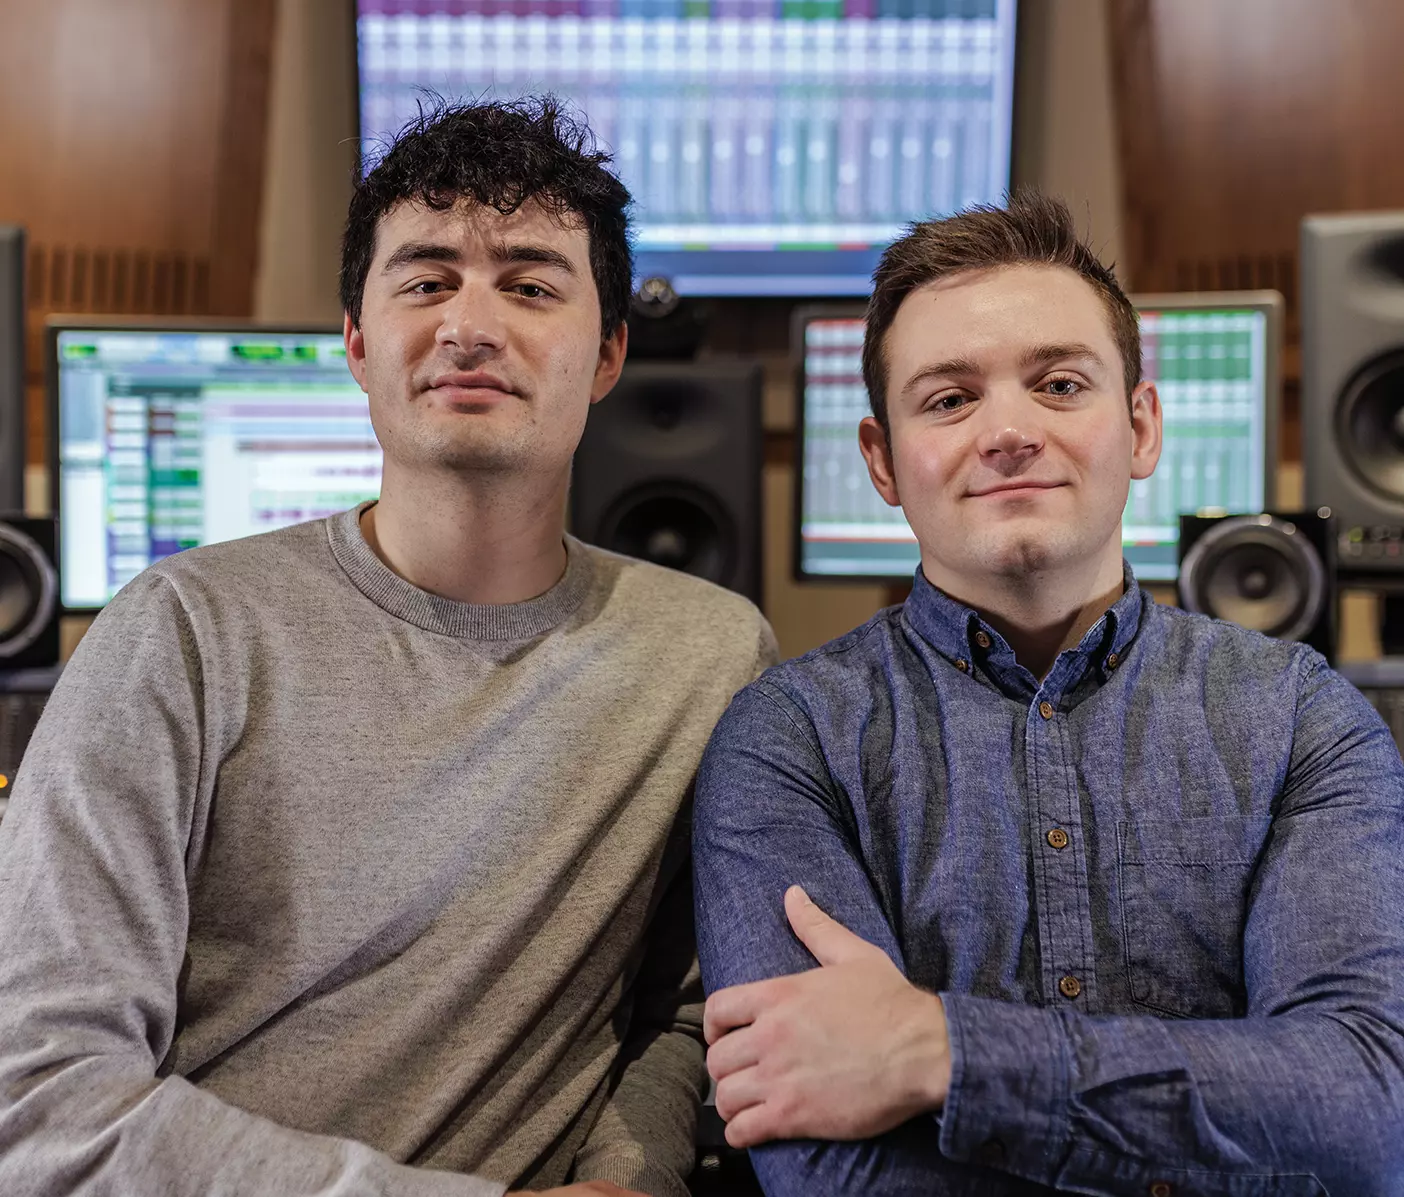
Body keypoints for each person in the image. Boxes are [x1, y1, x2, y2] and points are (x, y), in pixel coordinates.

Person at [0, 98, 774, 1197]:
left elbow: (688, 1011)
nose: (470, 323)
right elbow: (36, 1101)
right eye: (424, 280)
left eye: (530, 284)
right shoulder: (180, 632)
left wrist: (622, 1178)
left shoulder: (706, 653)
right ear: (357, 344)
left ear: (607, 356)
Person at [693, 192, 1404, 1195]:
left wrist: (940, 1055)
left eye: (1060, 384)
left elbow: (1365, 1112)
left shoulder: (1301, 719)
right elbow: (830, 1167)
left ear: (1142, 425)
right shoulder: (787, 739)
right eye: (948, 400)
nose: (1009, 432)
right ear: (883, 462)